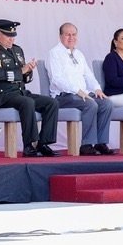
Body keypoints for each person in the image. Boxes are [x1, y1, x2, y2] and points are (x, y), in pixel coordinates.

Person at [0, 19, 59, 157]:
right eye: (8, 35)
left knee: (51, 103)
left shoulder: (17, 50)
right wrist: (21, 71)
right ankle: (29, 145)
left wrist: (29, 70)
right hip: (2, 95)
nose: (11, 39)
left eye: (13, 36)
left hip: (20, 92)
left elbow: (25, 78)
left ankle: (43, 143)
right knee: (27, 102)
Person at [47, 22, 115, 155]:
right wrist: (77, 91)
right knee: (90, 104)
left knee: (106, 103)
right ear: (60, 36)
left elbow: (88, 75)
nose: (71, 37)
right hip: (63, 96)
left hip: (82, 94)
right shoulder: (54, 53)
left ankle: (101, 143)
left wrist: (97, 89)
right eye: (67, 34)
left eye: (74, 34)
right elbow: (57, 79)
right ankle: (86, 145)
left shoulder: (79, 54)